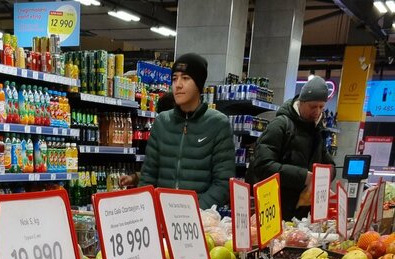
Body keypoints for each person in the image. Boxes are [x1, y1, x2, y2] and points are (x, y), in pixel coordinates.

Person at [122, 53, 236, 209]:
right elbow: (148, 176)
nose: (178, 85)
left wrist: (194, 212)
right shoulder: (162, 122)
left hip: (199, 221)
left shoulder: (217, 124)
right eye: (175, 79)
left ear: (199, 84)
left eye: (186, 78)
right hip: (161, 216)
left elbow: (223, 184)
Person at [249, 76, 336, 220]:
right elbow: (263, 165)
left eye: (321, 107)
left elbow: (329, 163)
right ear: (301, 102)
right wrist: (304, 177)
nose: (317, 111)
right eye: (313, 106)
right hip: (274, 211)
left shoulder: (316, 131)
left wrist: (323, 178)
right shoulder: (280, 126)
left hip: (302, 216)